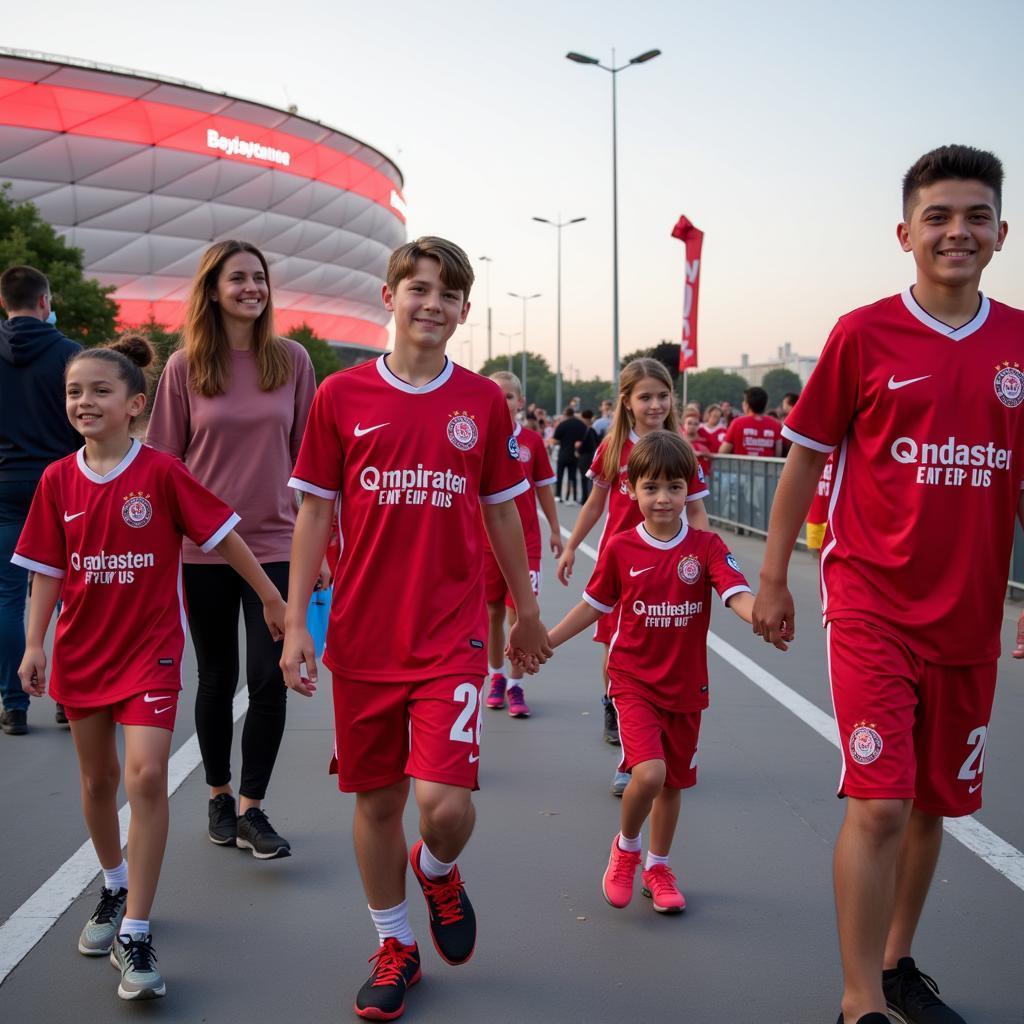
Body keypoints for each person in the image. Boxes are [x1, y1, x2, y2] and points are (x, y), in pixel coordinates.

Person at [752, 145, 1024, 1024]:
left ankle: (898, 963)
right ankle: (860, 998)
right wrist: (773, 577)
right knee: (881, 802)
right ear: (905, 232)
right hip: (872, 603)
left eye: (975, 216)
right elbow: (805, 457)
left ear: (1001, 233)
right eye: (938, 217)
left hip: (972, 617)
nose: (957, 232)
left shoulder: (1020, 342)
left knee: (933, 805)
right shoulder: (863, 333)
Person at [279, 236, 551, 1021]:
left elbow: (502, 510)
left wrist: (526, 614)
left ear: (465, 312)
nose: (432, 303)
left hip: (452, 634)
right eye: (418, 288)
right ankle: (395, 944)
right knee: (376, 802)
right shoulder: (340, 397)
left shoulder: (482, 403)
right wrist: (298, 622)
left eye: (448, 294)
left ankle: (436, 869)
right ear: (389, 295)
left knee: (444, 805)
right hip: (362, 637)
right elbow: (313, 514)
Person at [14, 336, 286, 1001]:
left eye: (100, 391)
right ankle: (112, 883)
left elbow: (222, 536)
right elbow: (45, 574)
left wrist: (273, 597)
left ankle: (136, 926)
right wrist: (34, 644)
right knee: (96, 777)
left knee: (145, 775)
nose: (84, 401)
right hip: (82, 654)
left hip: (150, 653)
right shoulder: (57, 480)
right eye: (75, 391)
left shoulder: (162, 472)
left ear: (136, 404)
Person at [549, 432, 785, 912]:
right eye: (652, 487)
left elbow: (736, 593)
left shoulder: (707, 546)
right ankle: (627, 848)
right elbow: (593, 607)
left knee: (674, 785)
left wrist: (761, 615)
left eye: (674, 487)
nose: (663, 498)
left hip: (686, 686)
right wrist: (545, 642)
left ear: (689, 491)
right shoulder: (620, 548)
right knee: (651, 774)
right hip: (633, 681)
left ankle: (658, 866)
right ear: (632, 490)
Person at [147, 240, 316, 858]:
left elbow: (311, 462)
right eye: (237, 278)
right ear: (213, 289)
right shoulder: (185, 367)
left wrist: (321, 547)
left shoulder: (292, 360)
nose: (251, 287)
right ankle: (218, 793)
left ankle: (252, 807)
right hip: (205, 549)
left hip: (276, 543)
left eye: (259, 278)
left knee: (270, 679)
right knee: (216, 677)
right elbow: (163, 465)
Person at [556, 358, 709, 796]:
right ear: (626, 401)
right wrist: (570, 546)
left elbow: (696, 508)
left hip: (668, 569)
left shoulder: (681, 448)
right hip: (621, 567)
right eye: (645, 396)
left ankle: (649, 743)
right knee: (615, 650)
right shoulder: (612, 447)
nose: (655, 404)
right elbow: (594, 505)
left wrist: (704, 556)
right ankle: (624, 729)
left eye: (662, 396)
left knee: (658, 653)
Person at [0, 265, 81, 735]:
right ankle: (70, 701)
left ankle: (14, 705)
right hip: (59, 485)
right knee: (69, 595)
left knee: (8, 596)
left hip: (5, 487)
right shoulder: (69, 355)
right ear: (45, 302)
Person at [484, 370, 563, 718]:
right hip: (485, 544)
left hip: (525, 544)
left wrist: (557, 531)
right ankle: (496, 676)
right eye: (495, 395)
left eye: (509, 396)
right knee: (491, 614)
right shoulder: (476, 438)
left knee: (520, 614)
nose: (503, 402)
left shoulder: (531, 441)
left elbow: (544, 488)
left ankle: (517, 684)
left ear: (520, 402)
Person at [717, 386, 783, 457]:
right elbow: (778, 453)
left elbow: (723, 451)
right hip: (767, 467)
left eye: (744, 401)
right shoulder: (776, 424)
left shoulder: (737, 423)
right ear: (765, 404)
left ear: (747, 405)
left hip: (740, 467)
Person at [553, 405, 587, 503]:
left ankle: (559, 495)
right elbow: (585, 438)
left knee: (560, 475)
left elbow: (555, 440)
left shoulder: (562, 424)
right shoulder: (581, 425)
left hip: (563, 453)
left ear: (565, 414)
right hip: (575, 454)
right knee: (572, 476)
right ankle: (573, 497)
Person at [575, 409, 599, 503]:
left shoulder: (586, 430)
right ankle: (587, 497)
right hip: (591, 456)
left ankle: (585, 498)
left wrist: (578, 450)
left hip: (585, 456)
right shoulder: (592, 430)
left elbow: (584, 444)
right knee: (589, 478)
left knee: (584, 478)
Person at [683, 412, 713, 482]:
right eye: (689, 423)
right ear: (684, 425)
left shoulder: (705, 441)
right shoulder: (678, 440)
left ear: (699, 426)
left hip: (702, 477)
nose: (692, 426)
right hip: (684, 476)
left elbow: (710, 456)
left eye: (695, 424)